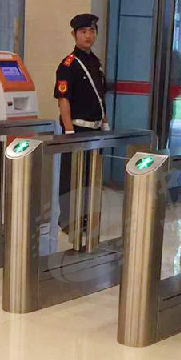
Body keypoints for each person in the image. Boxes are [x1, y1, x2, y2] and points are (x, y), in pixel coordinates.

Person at [54, 12, 108, 233]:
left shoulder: (95, 62)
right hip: (76, 128)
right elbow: (63, 100)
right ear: (74, 35)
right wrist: (68, 131)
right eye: (83, 32)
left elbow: (100, 97)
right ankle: (68, 221)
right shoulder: (68, 64)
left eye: (92, 31)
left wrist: (105, 123)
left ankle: (87, 218)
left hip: (95, 129)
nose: (88, 36)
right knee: (71, 177)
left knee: (90, 177)